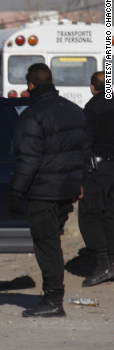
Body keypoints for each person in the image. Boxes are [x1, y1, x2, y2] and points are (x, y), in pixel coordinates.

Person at [10, 63, 90, 317]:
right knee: (52, 241)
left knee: (47, 245)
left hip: (43, 191)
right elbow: (85, 153)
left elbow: (28, 159)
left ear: (30, 85)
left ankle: (53, 299)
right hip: (66, 190)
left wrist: (16, 191)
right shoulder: (76, 111)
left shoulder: (32, 115)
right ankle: (53, 296)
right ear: (52, 80)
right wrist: (80, 182)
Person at [78, 71, 114, 287]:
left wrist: (81, 173)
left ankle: (103, 263)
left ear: (93, 87)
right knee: (110, 214)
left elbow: (85, 142)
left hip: (98, 169)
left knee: (90, 215)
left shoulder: (93, 108)